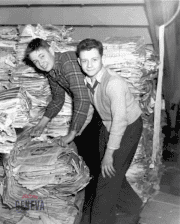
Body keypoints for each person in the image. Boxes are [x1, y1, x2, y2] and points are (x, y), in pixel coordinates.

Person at [76, 38, 143, 224]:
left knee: (105, 182)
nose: (89, 65)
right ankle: (133, 206)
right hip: (109, 124)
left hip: (128, 126)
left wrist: (109, 153)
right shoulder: (88, 80)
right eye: (85, 60)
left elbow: (120, 120)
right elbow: (92, 109)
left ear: (101, 59)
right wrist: (75, 132)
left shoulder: (113, 83)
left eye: (94, 59)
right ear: (79, 62)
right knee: (107, 172)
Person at [24, 38, 91, 146]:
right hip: (92, 104)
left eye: (42, 56)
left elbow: (82, 98)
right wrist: (41, 125)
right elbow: (58, 99)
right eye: (35, 61)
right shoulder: (52, 71)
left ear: (51, 51)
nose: (41, 63)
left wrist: (71, 134)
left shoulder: (66, 62)